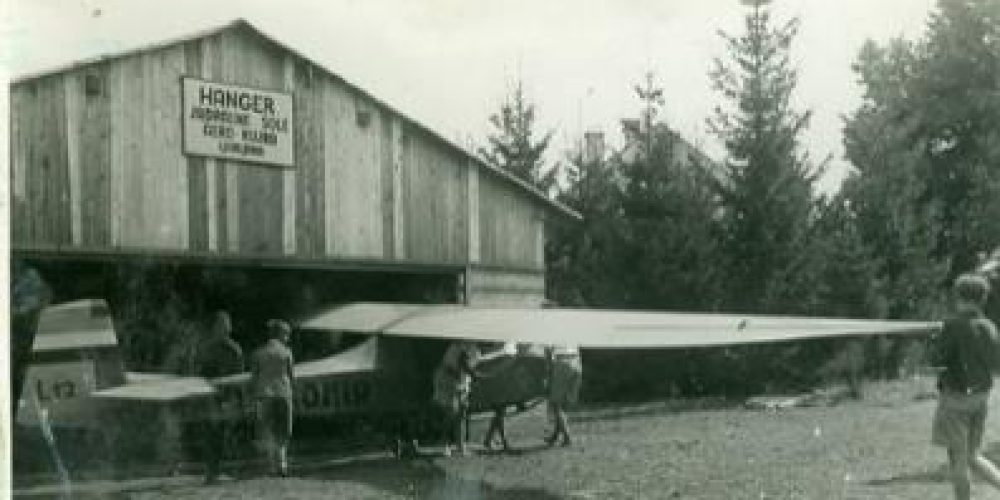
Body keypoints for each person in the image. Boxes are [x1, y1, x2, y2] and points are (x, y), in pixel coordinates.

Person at [931, 273, 1000, 500]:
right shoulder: (989, 327)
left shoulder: (951, 325)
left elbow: (936, 360)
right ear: (982, 299)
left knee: (958, 461)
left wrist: (935, 339)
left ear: (958, 297)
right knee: (972, 456)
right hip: (980, 398)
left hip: (955, 400)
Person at [195, 310, 244, 484]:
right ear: (215, 327)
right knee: (212, 436)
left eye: (226, 325)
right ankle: (212, 472)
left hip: (228, 398)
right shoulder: (205, 349)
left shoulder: (234, 350)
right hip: (211, 398)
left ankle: (228, 471)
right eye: (221, 325)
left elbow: (239, 377)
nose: (224, 328)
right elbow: (199, 374)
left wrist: (236, 400)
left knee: (229, 436)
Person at [251, 319, 295, 477]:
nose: (288, 338)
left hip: (264, 396)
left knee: (267, 430)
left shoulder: (258, 353)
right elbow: (291, 376)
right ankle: (282, 464)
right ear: (280, 334)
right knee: (283, 431)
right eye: (286, 334)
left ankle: (270, 466)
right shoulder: (287, 352)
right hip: (283, 394)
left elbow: (253, 378)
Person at [432, 341, 480, 457]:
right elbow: (464, 364)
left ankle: (461, 447)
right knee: (451, 413)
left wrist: (471, 376)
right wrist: (474, 375)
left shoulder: (476, 349)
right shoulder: (459, 346)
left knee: (461, 415)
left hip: (461, 381)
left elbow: (468, 368)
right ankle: (445, 445)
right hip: (448, 380)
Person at [545, 343, 582, 447]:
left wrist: (548, 376)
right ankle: (555, 436)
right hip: (576, 363)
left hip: (562, 363)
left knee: (556, 404)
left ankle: (567, 438)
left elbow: (548, 354)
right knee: (564, 405)